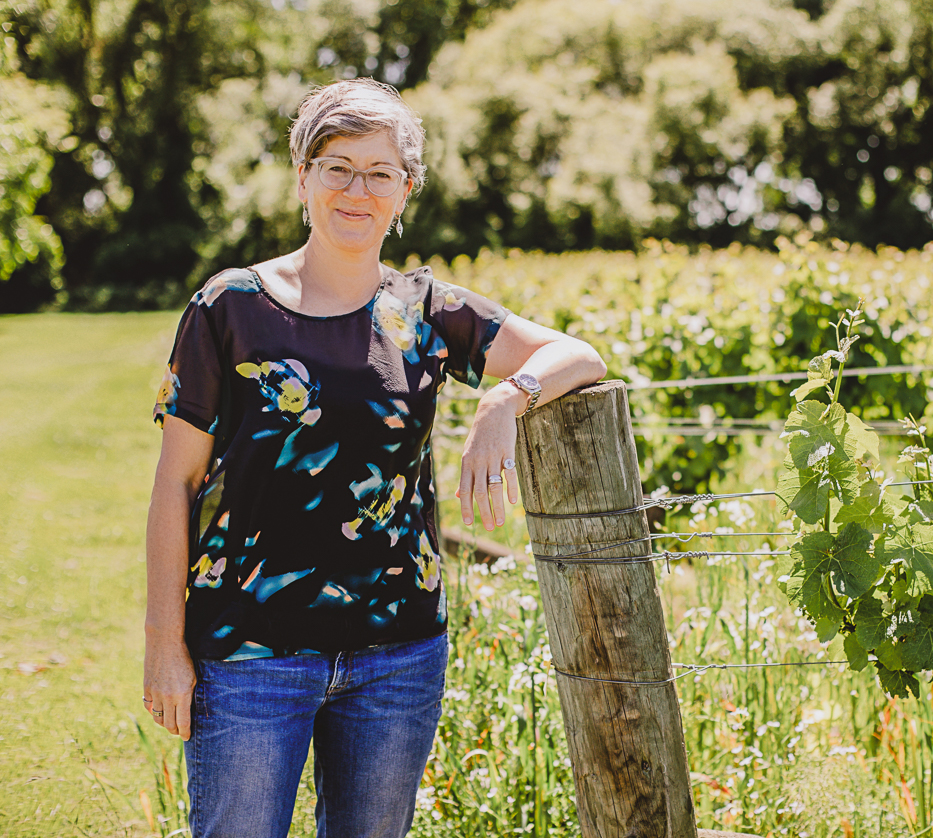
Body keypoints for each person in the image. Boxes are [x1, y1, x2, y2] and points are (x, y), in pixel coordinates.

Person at [142, 78, 606, 838]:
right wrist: (165, 647)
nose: (358, 189)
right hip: (250, 657)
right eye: (337, 166)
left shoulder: (428, 313)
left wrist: (504, 399)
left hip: (397, 658)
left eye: (380, 172)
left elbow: (576, 354)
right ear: (303, 178)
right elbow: (175, 485)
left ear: (405, 192)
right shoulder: (229, 308)